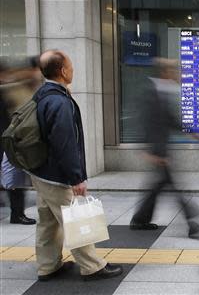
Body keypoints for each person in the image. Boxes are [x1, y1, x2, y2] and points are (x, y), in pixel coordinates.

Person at [28, 50, 122, 281]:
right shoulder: (59, 102)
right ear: (62, 70)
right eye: (70, 66)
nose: (73, 70)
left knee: (47, 223)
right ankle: (93, 267)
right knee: (76, 221)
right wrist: (76, 178)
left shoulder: (42, 95)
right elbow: (65, 144)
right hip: (57, 176)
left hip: (40, 172)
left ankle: (47, 266)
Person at [129, 58, 199, 238]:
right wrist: (151, 153)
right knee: (173, 186)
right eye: (174, 70)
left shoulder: (162, 91)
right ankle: (193, 223)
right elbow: (145, 123)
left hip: (161, 150)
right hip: (158, 151)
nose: (178, 74)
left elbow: (171, 121)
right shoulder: (151, 92)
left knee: (159, 185)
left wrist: (195, 133)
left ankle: (140, 219)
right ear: (165, 72)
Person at [0, 57, 39, 225]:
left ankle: (17, 213)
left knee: (15, 176)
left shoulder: (12, 87)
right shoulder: (9, 89)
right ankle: (17, 213)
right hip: (7, 140)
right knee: (14, 176)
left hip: (9, 139)